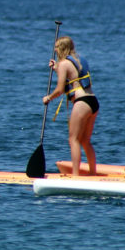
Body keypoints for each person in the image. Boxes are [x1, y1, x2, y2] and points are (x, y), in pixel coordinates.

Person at [42, 36, 98, 176]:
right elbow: (74, 77)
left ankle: (75, 176)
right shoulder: (79, 60)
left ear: (62, 48)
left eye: (56, 47)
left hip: (81, 103)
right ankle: (92, 173)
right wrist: (57, 69)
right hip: (93, 102)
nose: (54, 50)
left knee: (73, 140)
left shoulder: (63, 64)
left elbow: (60, 89)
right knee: (85, 140)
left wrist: (48, 97)